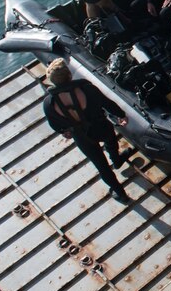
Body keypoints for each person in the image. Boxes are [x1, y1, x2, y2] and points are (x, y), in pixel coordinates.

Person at [42, 59, 131, 203]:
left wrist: (63, 131)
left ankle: (121, 193)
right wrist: (121, 115)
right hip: (101, 126)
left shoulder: (49, 103)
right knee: (111, 141)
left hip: (81, 136)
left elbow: (54, 124)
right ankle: (116, 159)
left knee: (101, 166)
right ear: (69, 75)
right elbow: (107, 103)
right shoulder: (87, 89)